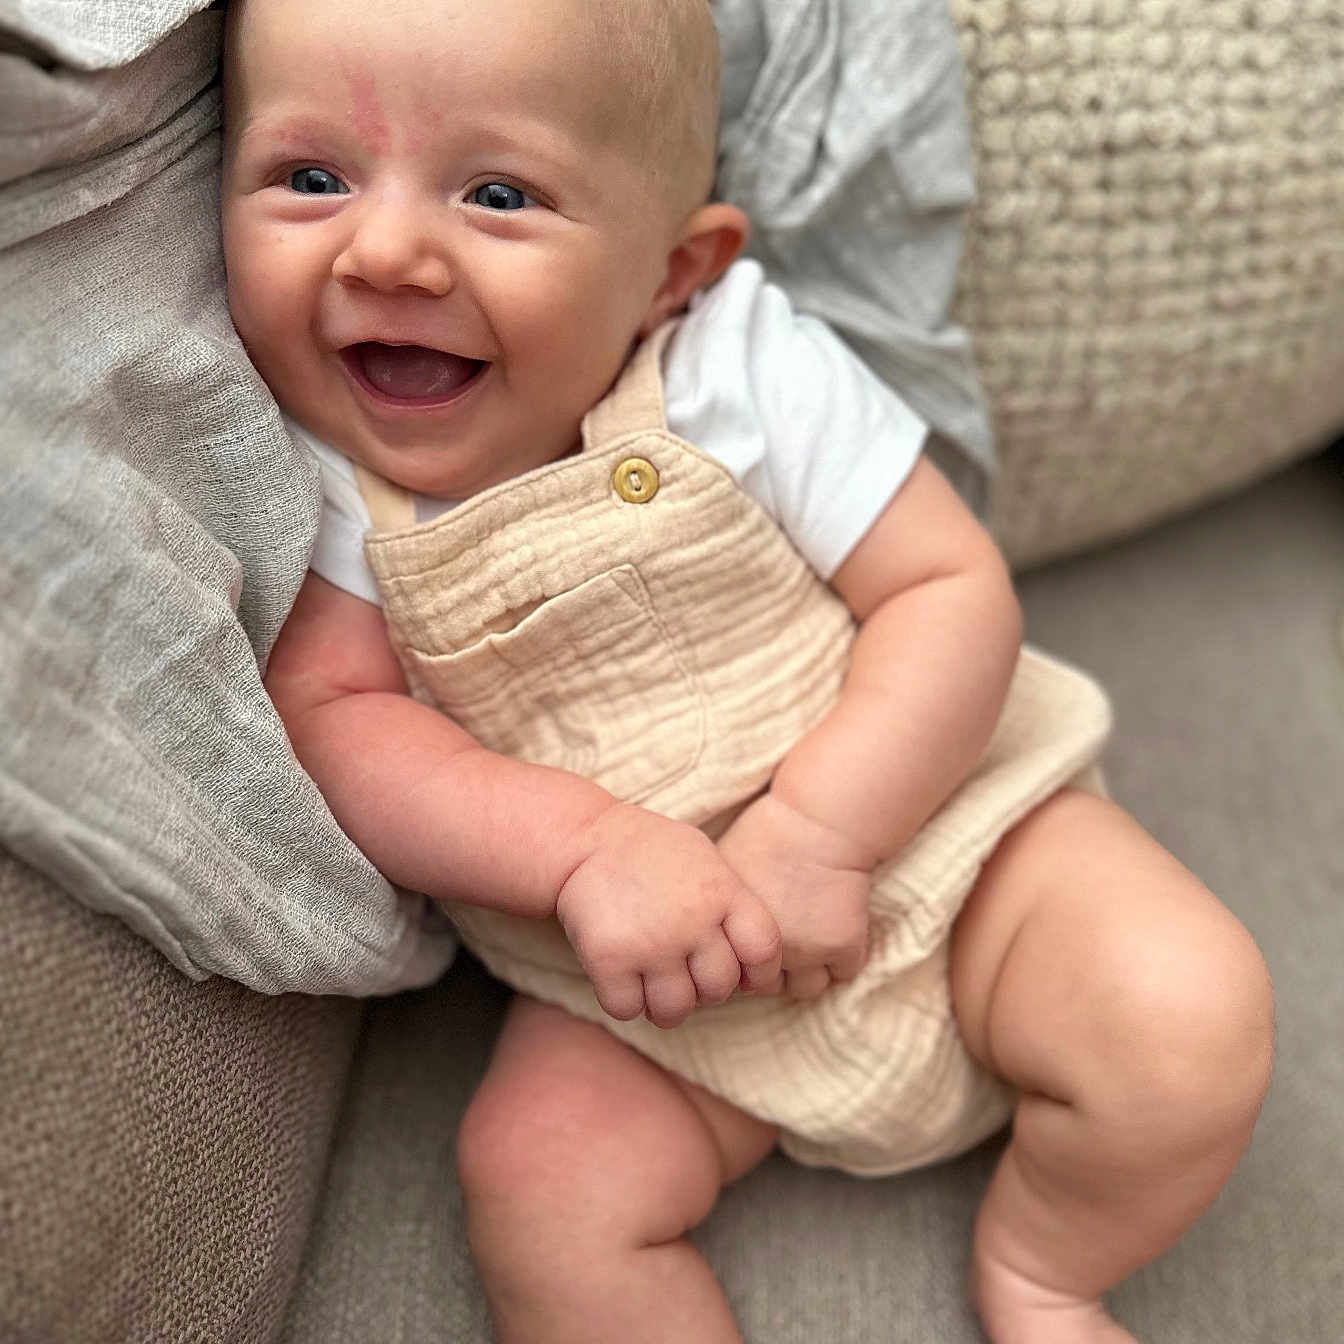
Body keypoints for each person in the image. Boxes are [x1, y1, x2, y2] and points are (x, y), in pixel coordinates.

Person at [219, 0, 1274, 1339]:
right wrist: (584, 853)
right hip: (642, 985)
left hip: (947, 842)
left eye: (497, 194)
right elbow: (339, 719)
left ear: (674, 272)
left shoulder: (737, 366)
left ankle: (1047, 1269)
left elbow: (947, 593)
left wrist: (826, 831)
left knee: (1189, 1012)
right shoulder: (314, 477)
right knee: (538, 1186)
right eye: (311, 178)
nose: (386, 250)